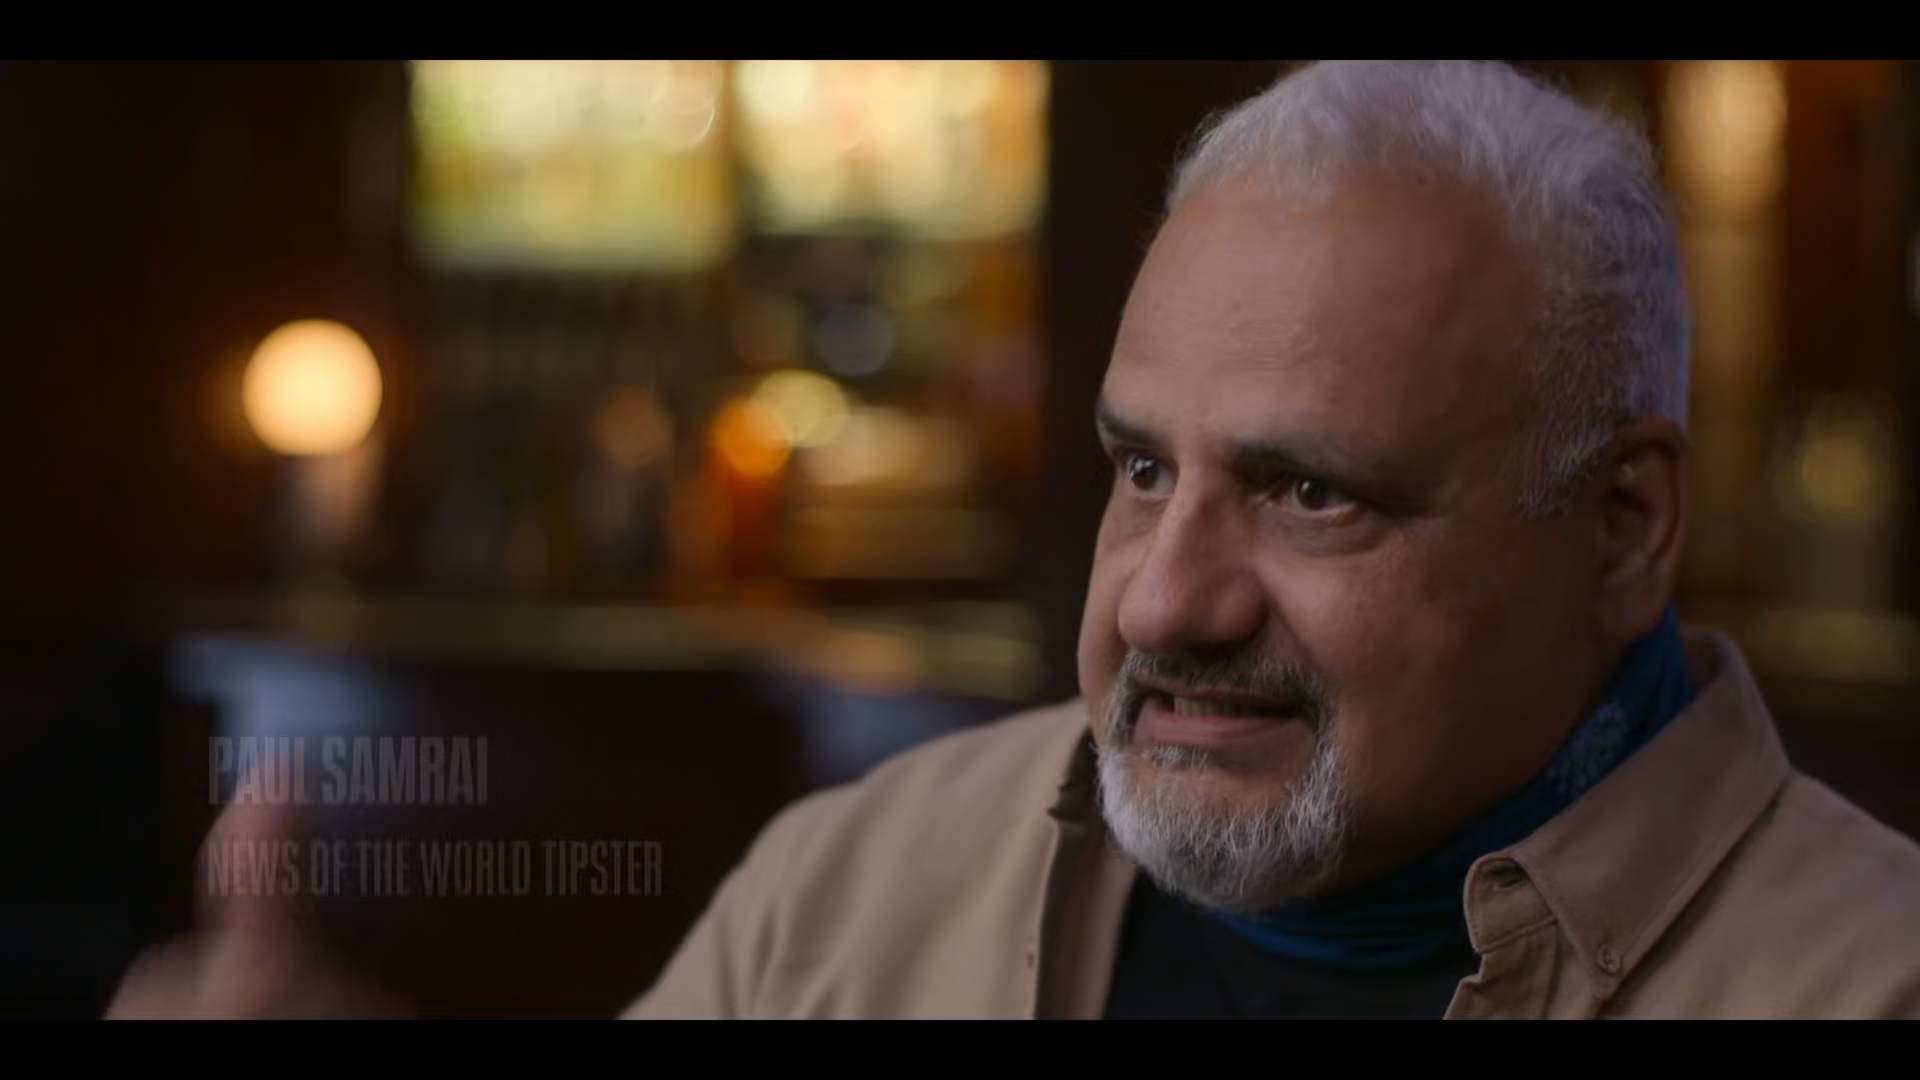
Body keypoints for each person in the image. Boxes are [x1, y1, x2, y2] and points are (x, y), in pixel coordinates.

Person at [108, 59, 1920, 1021]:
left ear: (1623, 526)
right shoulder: (866, 881)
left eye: (1311, 492)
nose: (1167, 599)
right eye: (1140, 470)